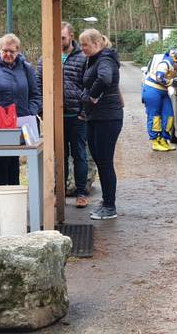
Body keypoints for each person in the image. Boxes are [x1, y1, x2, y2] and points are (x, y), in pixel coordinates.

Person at [37, 22, 94, 208]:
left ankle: (81, 192)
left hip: (77, 116)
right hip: (55, 117)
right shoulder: (45, 58)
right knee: (58, 156)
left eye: (62, 37)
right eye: (56, 38)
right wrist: (42, 111)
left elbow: (90, 87)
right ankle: (58, 193)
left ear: (71, 36)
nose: (59, 41)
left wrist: (84, 112)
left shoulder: (83, 58)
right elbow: (38, 85)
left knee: (79, 155)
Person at [0, 33, 41, 186]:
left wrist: (30, 111)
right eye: (5, 50)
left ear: (18, 51)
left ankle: (14, 197)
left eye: (12, 51)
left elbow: (36, 94)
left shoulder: (26, 68)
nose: (8, 54)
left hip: (21, 122)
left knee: (14, 160)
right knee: (1, 159)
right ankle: (1, 198)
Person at [78, 28, 124, 220]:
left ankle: (109, 206)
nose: (82, 49)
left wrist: (93, 96)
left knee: (105, 162)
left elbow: (105, 78)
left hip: (108, 118)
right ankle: (106, 201)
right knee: (99, 159)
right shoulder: (94, 59)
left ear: (96, 43)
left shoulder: (105, 59)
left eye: (85, 45)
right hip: (96, 117)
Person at [142, 50, 177, 152]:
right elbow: (159, 77)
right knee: (155, 116)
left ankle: (164, 139)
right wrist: (172, 81)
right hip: (152, 90)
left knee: (169, 115)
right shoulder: (166, 63)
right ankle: (155, 141)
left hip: (164, 92)